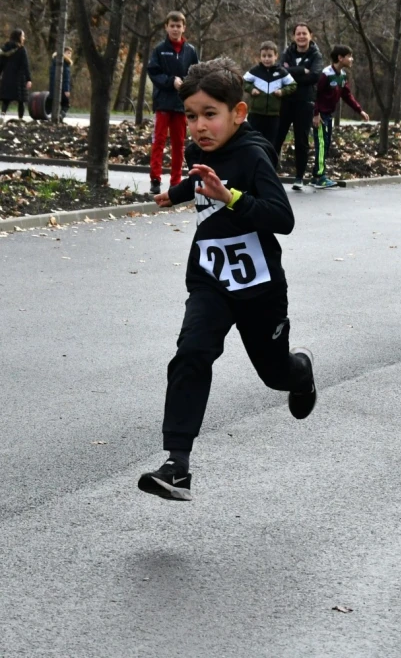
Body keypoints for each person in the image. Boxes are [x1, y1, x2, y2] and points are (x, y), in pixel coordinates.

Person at [137, 58, 317, 501]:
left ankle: (301, 372)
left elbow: (282, 218)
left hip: (259, 290)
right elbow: (200, 180)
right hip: (211, 278)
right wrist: (175, 193)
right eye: (192, 116)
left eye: (210, 115)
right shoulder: (203, 149)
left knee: (274, 375)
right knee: (191, 354)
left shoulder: (254, 155)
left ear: (238, 113)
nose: (199, 126)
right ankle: (177, 465)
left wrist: (231, 197)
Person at [147, 11, 199, 194]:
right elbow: (153, 72)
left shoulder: (190, 51)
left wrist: (186, 85)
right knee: (159, 141)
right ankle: (155, 179)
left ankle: (175, 181)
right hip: (163, 103)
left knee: (178, 143)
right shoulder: (160, 50)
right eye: (172, 26)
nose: (175, 29)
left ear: (184, 27)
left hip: (180, 104)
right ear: (166, 27)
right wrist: (171, 81)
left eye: (179, 26)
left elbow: (196, 73)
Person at [311, 45, 369, 189]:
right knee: (322, 145)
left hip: (328, 115)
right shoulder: (325, 74)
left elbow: (347, 95)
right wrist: (316, 114)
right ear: (340, 58)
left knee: (326, 144)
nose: (352, 59)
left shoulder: (341, 75)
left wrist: (359, 110)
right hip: (320, 115)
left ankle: (316, 175)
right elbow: (314, 94)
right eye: (349, 56)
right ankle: (320, 177)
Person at [275, 22, 324, 191]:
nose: (301, 36)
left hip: (305, 103)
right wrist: (303, 70)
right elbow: (280, 72)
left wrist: (292, 72)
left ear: (311, 35)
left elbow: (315, 76)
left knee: (302, 140)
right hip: (286, 101)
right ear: (293, 36)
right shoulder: (287, 53)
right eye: (298, 34)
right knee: (277, 137)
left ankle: (299, 176)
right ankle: (271, 173)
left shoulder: (316, 55)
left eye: (304, 33)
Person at [243, 40, 296, 149]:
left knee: (270, 142)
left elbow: (293, 85)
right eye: (264, 56)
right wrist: (251, 89)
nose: (266, 59)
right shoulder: (255, 71)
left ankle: (269, 164)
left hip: (273, 115)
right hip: (255, 113)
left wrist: (282, 91)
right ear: (260, 57)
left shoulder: (281, 72)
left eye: (270, 56)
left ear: (276, 56)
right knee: (253, 140)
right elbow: (243, 81)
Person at [0, 28, 32, 120]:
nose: (24, 38)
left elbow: (1, 64)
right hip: (19, 77)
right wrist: (28, 79)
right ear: (18, 37)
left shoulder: (4, 49)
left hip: (7, 77)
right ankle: (20, 118)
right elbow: (26, 65)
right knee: (21, 100)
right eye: (23, 36)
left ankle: (2, 115)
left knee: (6, 98)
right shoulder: (21, 49)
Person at [47, 46, 72, 123]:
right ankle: (60, 116)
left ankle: (56, 118)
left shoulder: (54, 62)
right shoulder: (64, 63)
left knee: (56, 104)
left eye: (70, 53)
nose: (70, 55)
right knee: (66, 104)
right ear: (63, 53)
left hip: (53, 87)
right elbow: (66, 78)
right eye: (68, 53)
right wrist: (67, 90)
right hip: (62, 88)